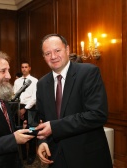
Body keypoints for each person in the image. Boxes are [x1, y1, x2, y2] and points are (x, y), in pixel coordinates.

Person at [35, 34, 113, 168]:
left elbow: (97, 115)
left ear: (67, 49)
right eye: (48, 53)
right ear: (43, 57)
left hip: (87, 157)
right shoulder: (42, 84)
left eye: (57, 50)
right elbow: (40, 120)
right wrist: (42, 142)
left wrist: (54, 127)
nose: (53, 56)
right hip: (56, 157)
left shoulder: (88, 72)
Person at [13, 61, 38, 165]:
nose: (24, 69)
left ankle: (31, 155)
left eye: (26, 67)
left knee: (31, 130)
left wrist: (25, 109)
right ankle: (23, 154)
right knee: (20, 130)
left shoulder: (34, 81)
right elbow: (14, 95)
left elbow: (35, 97)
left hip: (31, 109)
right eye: (22, 67)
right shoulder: (17, 81)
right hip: (18, 108)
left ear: (29, 68)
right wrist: (18, 109)